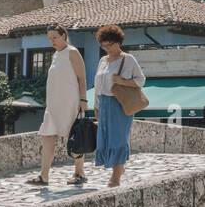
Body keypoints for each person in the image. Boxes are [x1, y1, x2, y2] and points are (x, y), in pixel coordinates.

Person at [27, 25, 88, 187]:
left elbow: (82, 78)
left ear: (64, 36)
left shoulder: (72, 52)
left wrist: (83, 100)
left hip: (70, 102)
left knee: (74, 137)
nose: (51, 41)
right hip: (53, 105)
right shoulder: (55, 55)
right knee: (47, 136)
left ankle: (79, 173)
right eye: (49, 38)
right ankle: (44, 176)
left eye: (54, 37)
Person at [93, 24, 146, 187]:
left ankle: (115, 177)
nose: (107, 48)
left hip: (120, 104)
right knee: (106, 139)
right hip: (104, 103)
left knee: (118, 139)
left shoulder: (128, 59)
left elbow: (141, 80)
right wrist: (96, 106)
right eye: (104, 45)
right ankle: (118, 169)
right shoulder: (103, 60)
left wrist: (122, 81)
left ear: (118, 42)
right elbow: (98, 84)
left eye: (110, 45)